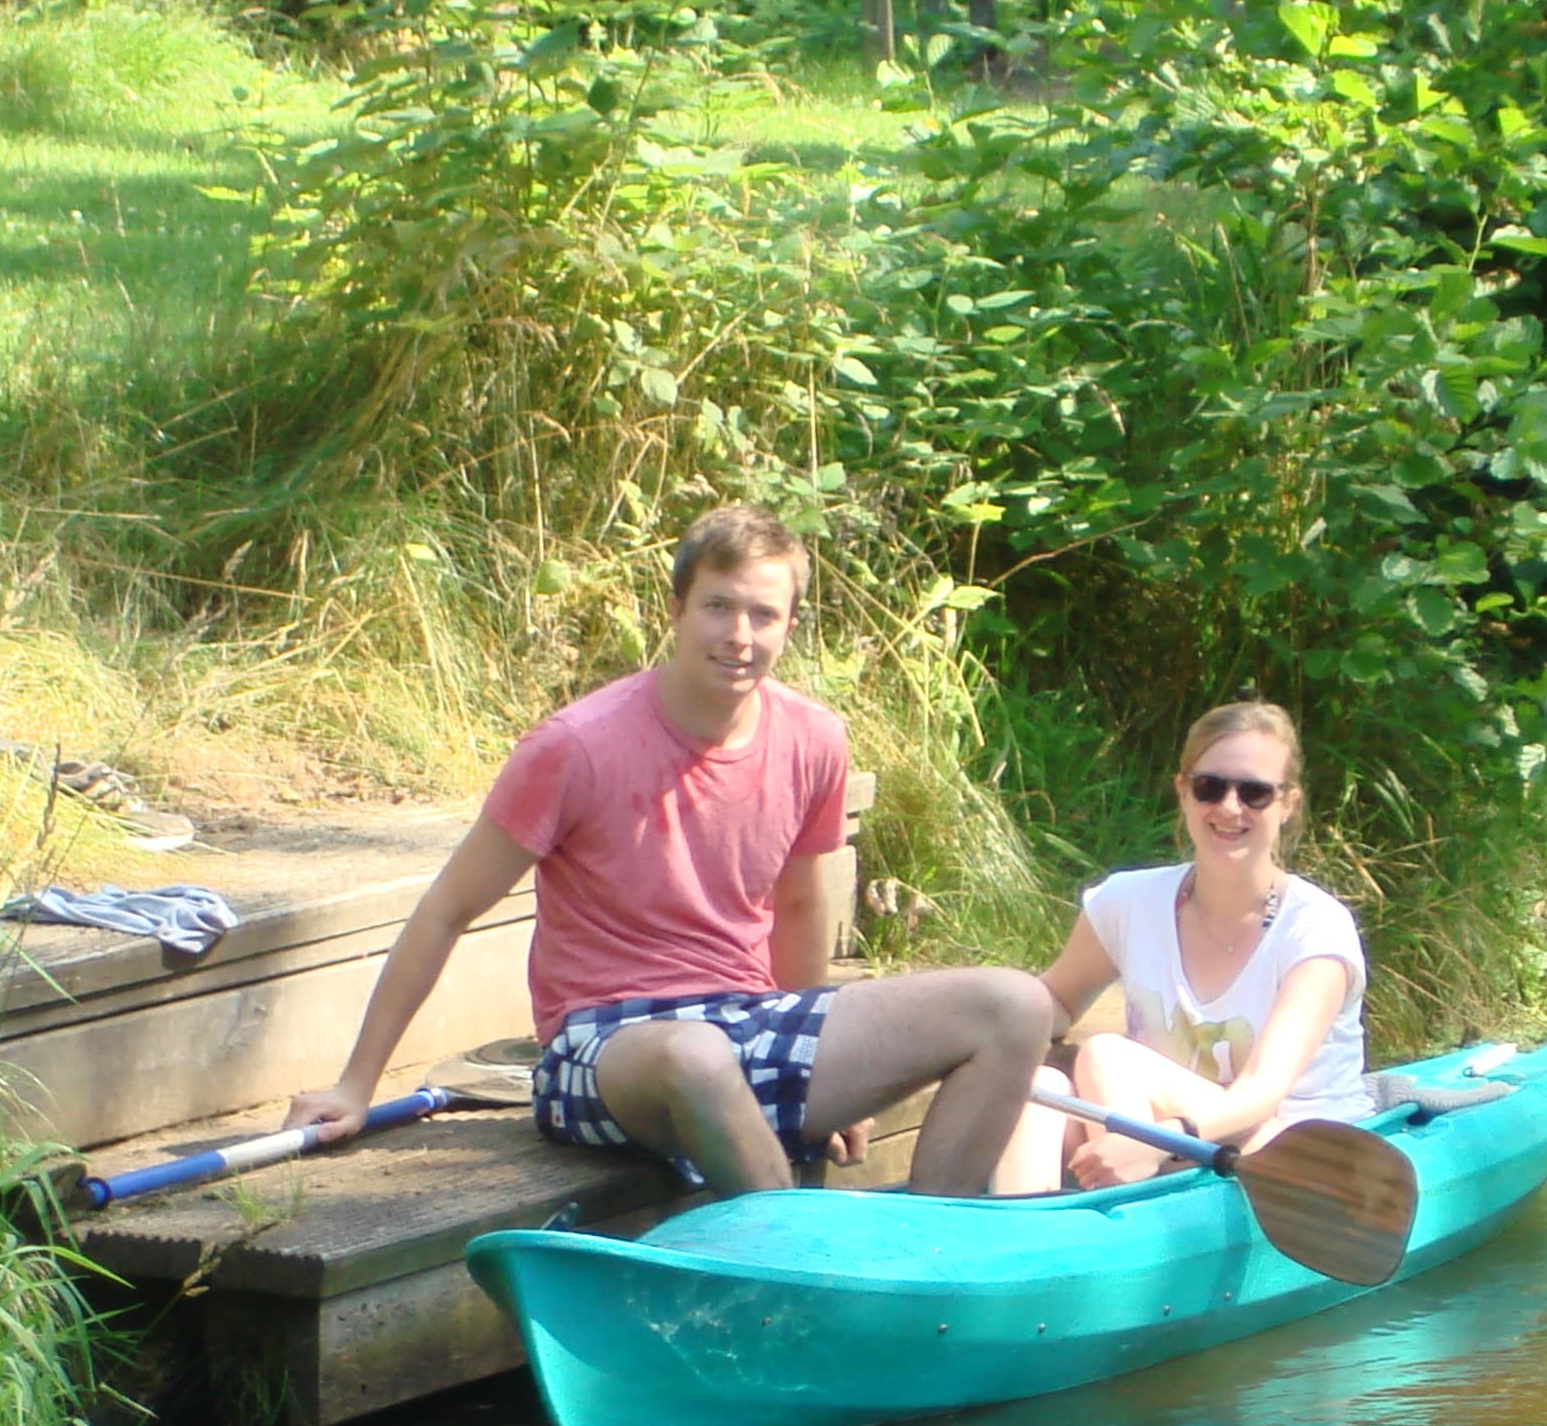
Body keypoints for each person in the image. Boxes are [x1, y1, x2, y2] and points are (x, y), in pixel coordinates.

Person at [281, 505, 1053, 1197]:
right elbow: (448, 910)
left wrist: (827, 1083)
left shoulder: (816, 738)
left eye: (764, 614)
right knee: (694, 1054)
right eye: (718, 607)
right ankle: (795, 1266)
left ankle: (934, 1263)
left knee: (1017, 1004)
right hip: (600, 1050)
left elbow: (798, 904)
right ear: (678, 610)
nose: (740, 636)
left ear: (790, 625)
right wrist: (357, 1084)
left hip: (748, 1020)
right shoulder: (575, 747)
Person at [991, 699, 1369, 1195]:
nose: (1229, 807)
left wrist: (1155, 1141)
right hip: (1166, 1143)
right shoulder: (1128, 903)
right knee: (1043, 1091)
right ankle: (1029, 1245)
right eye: (1210, 787)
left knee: (1108, 1056)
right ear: (1183, 792)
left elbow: (1261, 1093)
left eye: (1254, 793)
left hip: (1294, 1157)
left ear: (1287, 803)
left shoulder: (1315, 931)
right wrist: (963, 1048)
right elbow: (1053, 1003)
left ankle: (1126, 1232)